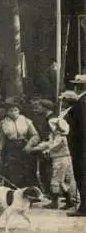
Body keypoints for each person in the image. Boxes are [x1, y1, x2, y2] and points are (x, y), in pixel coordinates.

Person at [32, 118, 79, 210]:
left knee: (55, 181)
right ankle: (69, 200)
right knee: (60, 181)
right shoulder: (56, 136)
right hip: (60, 159)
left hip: (60, 159)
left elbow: (52, 145)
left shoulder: (59, 137)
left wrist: (43, 149)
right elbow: (49, 143)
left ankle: (55, 202)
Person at [0, 101, 40, 189]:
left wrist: (29, 145)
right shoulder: (3, 123)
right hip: (10, 148)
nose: (13, 113)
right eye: (11, 111)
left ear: (19, 111)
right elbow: (2, 140)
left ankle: (29, 193)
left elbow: (35, 135)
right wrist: (0, 152)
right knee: (11, 170)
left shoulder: (26, 120)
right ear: (7, 112)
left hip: (24, 146)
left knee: (26, 170)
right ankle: (13, 193)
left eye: (15, 110)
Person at [66, 74, 86, 217]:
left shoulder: (81, 103)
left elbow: (82, 127)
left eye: (76, 85)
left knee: (82, 176)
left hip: (81, 147)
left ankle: (84, 208)